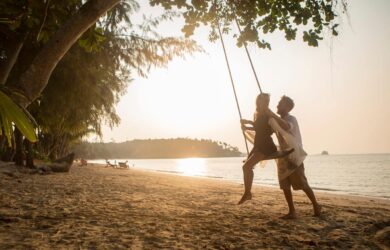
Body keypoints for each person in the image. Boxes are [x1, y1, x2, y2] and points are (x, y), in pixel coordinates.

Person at [266, 96, 321, 219]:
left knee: (302, 183)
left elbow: (286, 127)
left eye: (280, 104)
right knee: (285, 186)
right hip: (282, 155)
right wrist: (248, 126)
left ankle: (316, 205)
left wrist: (272, 115)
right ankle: (292, 211)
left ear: (287, 107)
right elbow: (264, 130)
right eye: (279, 103)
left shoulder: (291, 119)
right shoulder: (276, 120)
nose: (277, 106)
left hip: (294, 155)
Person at [239, 93, 293, 205]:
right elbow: (259, 128)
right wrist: (247, 126)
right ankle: (247, 193)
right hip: (258, 145)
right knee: (247, 167)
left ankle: (247, 193)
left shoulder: (268, 114)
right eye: (264, 101)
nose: (266, 103)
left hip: (265, 145)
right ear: (258, 101)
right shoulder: (258, 113)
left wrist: (249, 123)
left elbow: (271, 129)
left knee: (246, 167)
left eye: (267, 101)